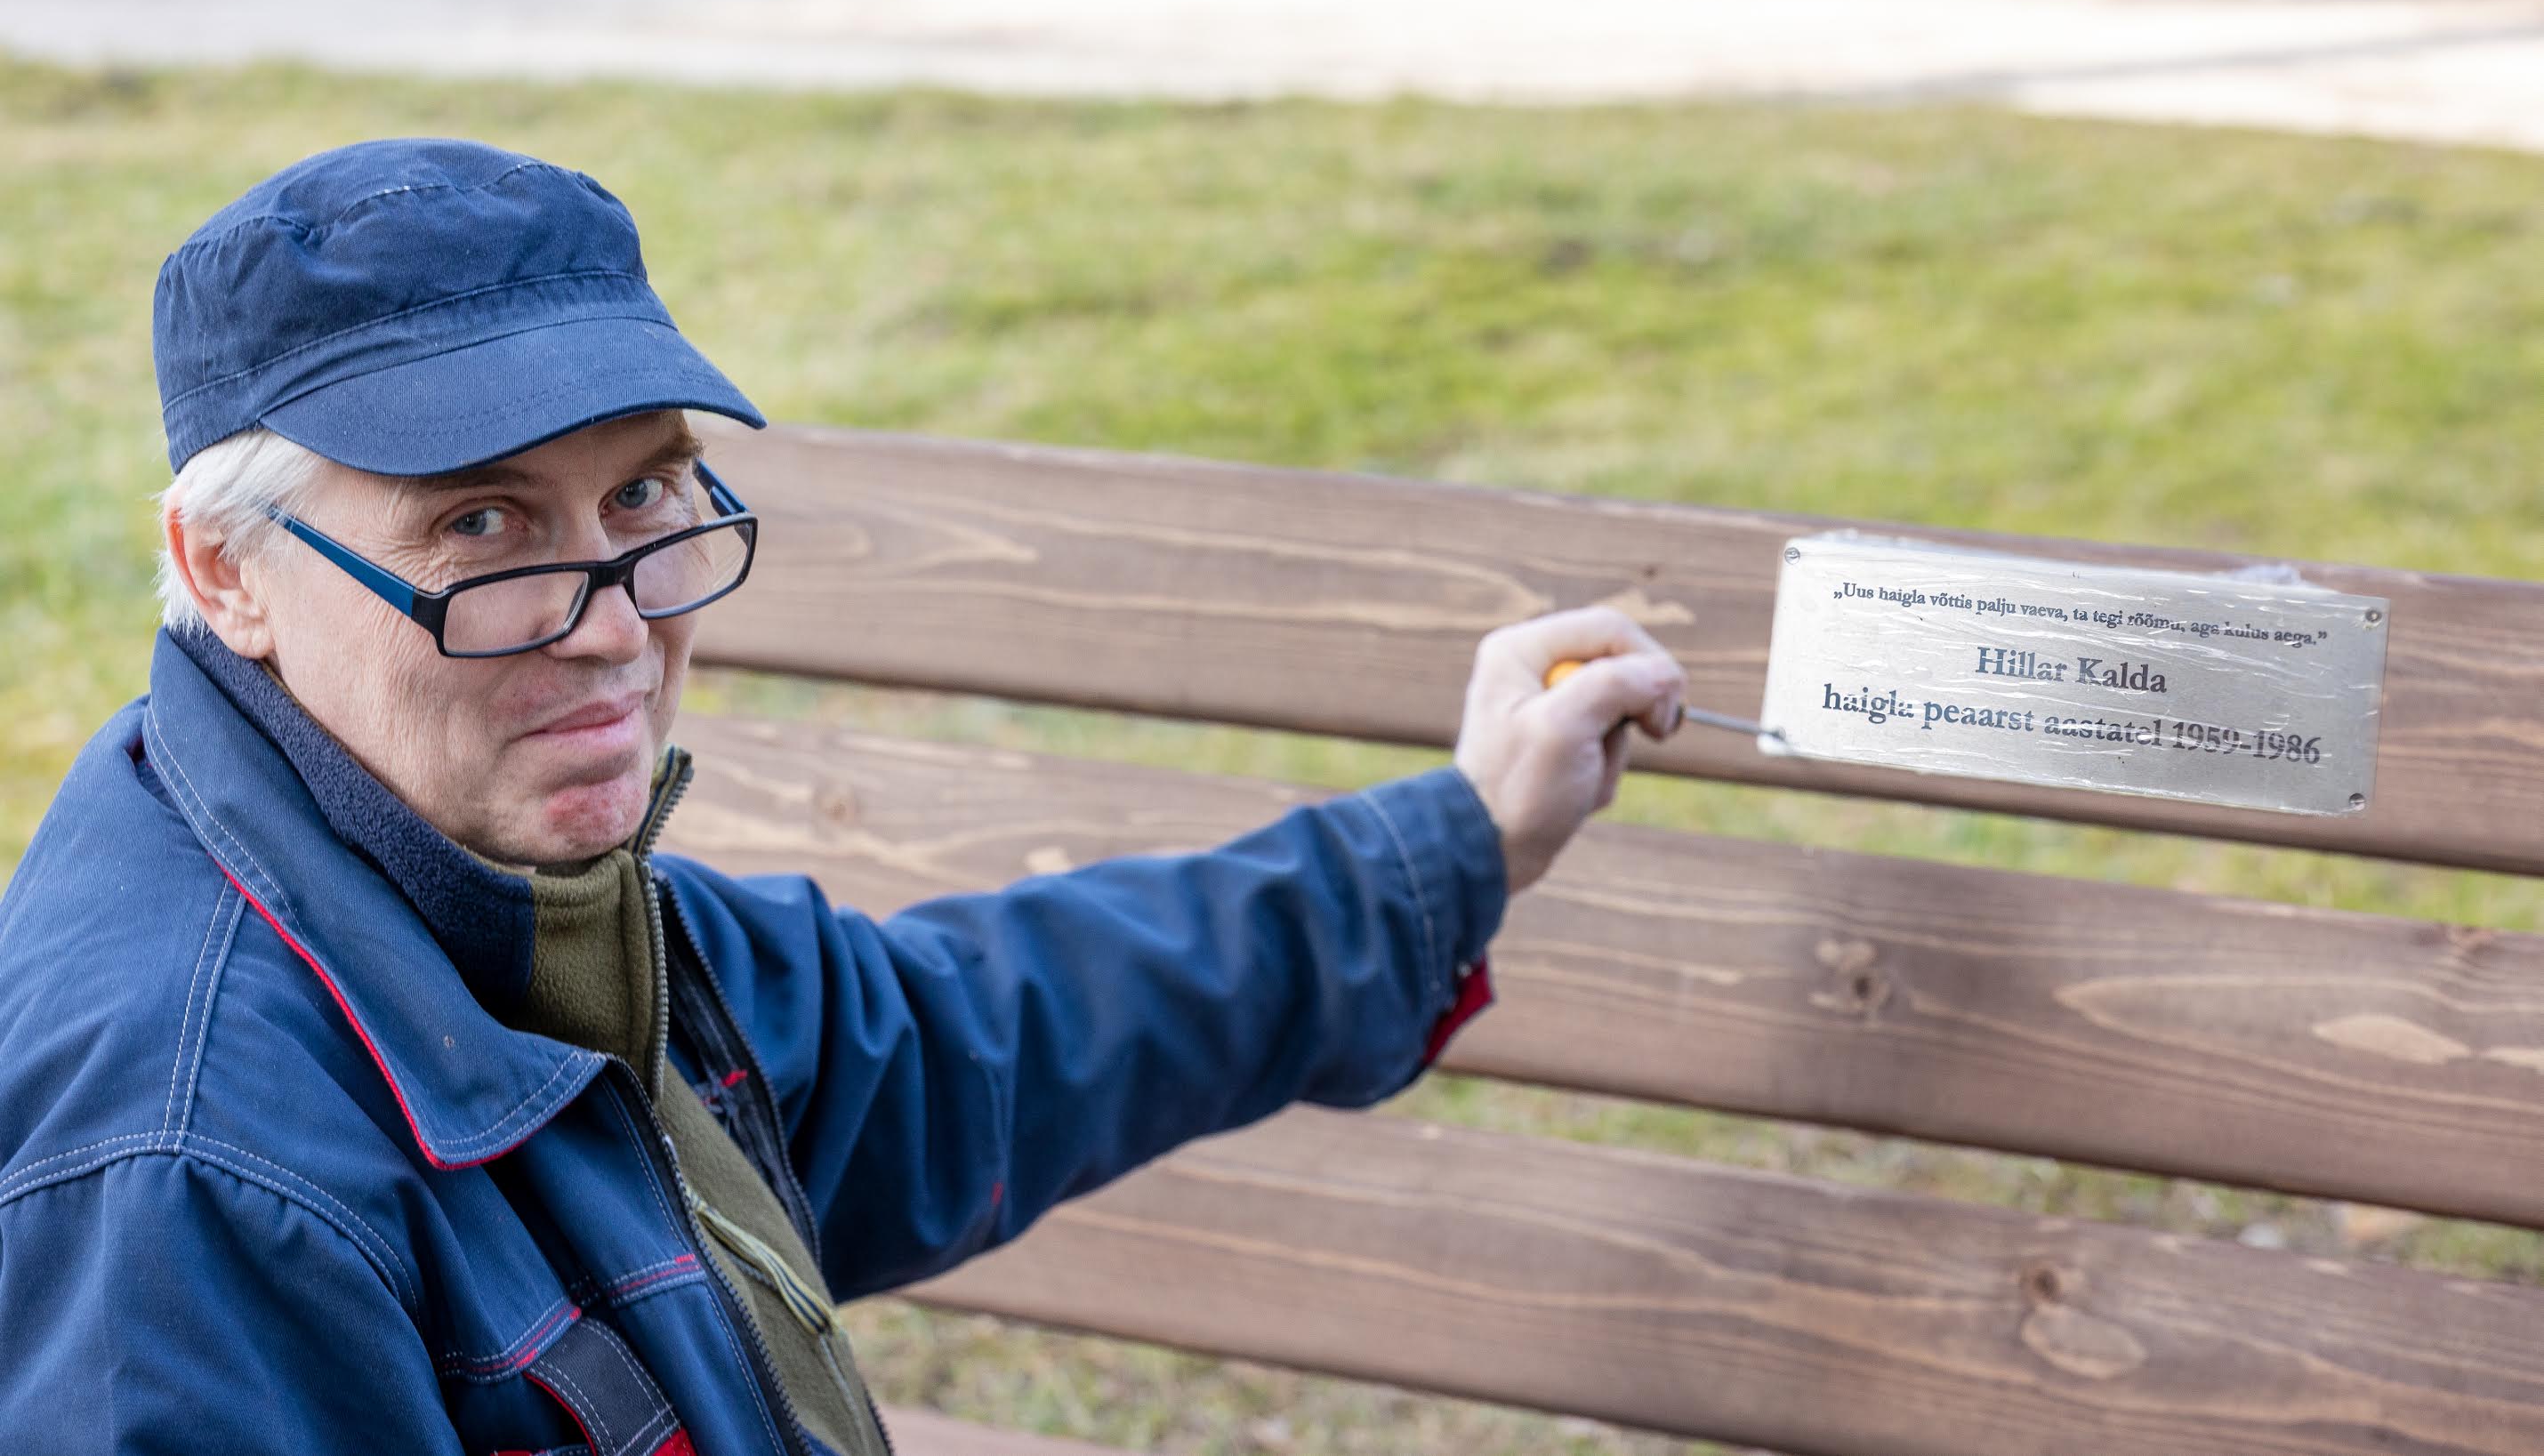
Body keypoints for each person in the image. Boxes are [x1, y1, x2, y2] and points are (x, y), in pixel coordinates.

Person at [0, 140, 1687, 1454]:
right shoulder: (192, 1178)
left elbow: (962, 1046)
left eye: (647, 495)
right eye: (483, 531)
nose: (614, 629)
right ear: (223, 572)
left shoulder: (462, 894)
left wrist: (1456, 839)